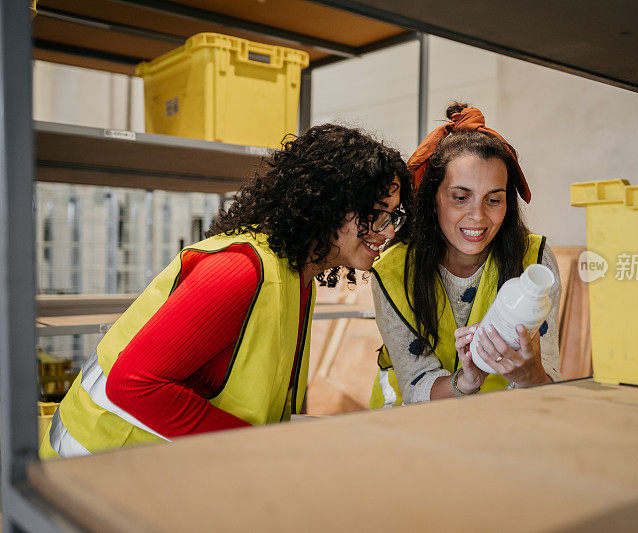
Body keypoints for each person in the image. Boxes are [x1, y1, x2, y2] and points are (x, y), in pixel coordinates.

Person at [41, 124, 411, 459]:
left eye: (392, 215)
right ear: (329, 205)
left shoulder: (297, 276)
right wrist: (260, 448)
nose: (387, 231)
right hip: (95, 470)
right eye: (377, 212)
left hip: (155, 468)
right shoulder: (239, 272)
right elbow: (134, 384)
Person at [369, 103, 561, 408]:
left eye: (494, 199)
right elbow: (414, 385)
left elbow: (548, 377)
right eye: (461, 197)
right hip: (409, 427)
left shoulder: (534, 261)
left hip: (504, 427)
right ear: (433, 200)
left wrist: (531, 375)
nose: (478, 216)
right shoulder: (394, 270)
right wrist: (466, 381)